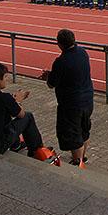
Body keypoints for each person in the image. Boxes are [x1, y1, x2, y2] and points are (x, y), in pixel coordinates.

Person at [41, 29, 93, 167]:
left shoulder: (61, 61)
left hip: (71, 103)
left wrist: (48, 77)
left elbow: (52, 84)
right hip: (87, 98)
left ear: (59, 44)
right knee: (84, 129)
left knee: (72, 134)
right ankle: (83, 157)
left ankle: (78, 162)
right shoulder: (83, 52)